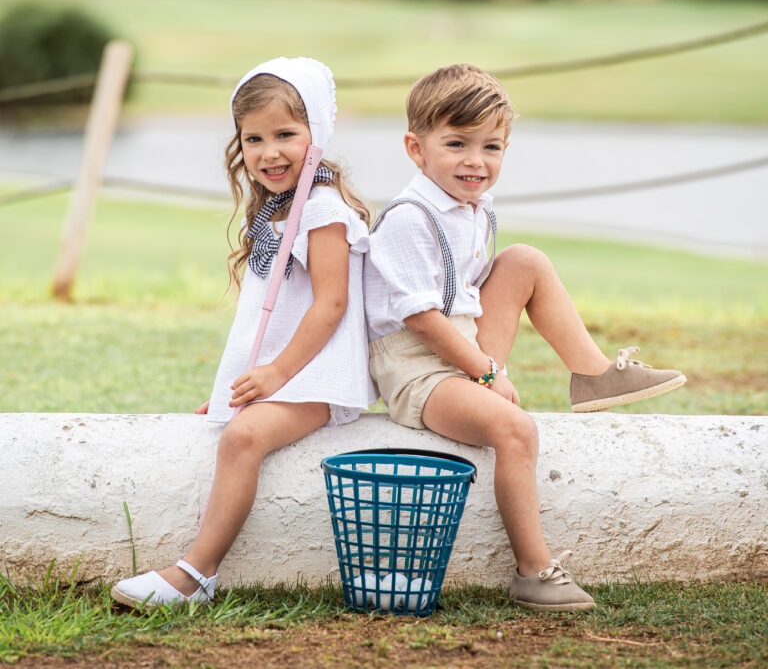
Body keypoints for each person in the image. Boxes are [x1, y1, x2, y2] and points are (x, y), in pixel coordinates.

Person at [363, 63, 686, 611]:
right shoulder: (408, 219)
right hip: (418, 370)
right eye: (457, 143)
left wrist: (481, 364)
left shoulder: (473, 208)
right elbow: (422, 319)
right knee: (516, 430)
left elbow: (467, 297)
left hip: (460, 344)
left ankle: (593, 375)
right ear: (415, 149)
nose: (475, 161)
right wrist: (487, 372)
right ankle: (534, 570)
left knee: (523, 261)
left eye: (492, 147)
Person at [111, 57, 374, 607]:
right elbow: (267, 315)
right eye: (253, 138)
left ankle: (196, 574)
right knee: (228, 426)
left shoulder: (322, 209)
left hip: (316, 380)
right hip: (289, 377)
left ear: (315, 135)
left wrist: (276, 375)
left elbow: (331, 303)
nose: (268, 151)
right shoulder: (277, 209)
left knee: (243, 439)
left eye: (286, 134)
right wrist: (233, 390)